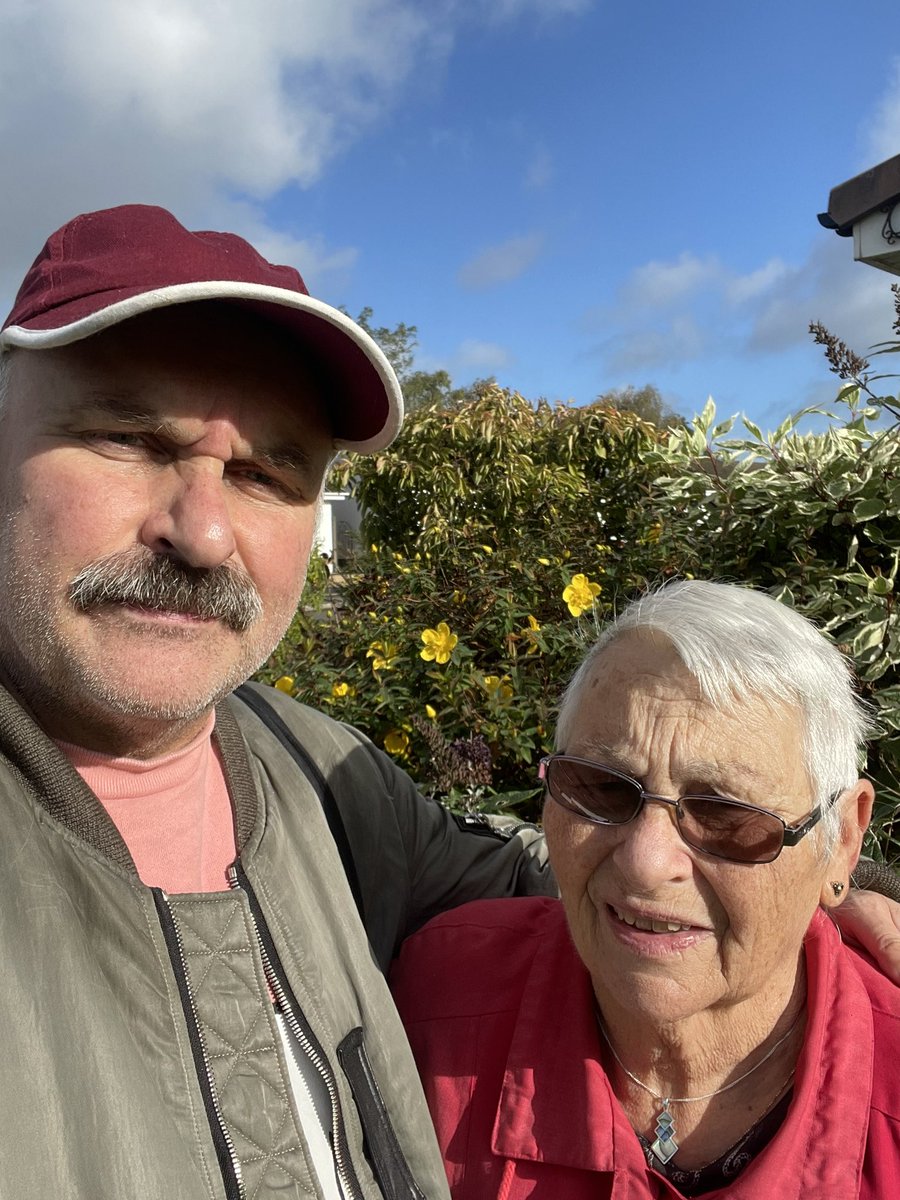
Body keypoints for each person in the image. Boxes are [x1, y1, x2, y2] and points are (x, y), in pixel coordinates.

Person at [0, 204, 559, 1200]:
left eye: (266, 474)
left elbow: (565, 877)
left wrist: (809, 875)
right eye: (131, 437)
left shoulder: (321, 775)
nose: (204, 533)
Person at [392, 581, 900, 1199]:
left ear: (842, 839)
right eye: (601, 789)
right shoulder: (435, 1006)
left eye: (725, 815)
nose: (645, 861)